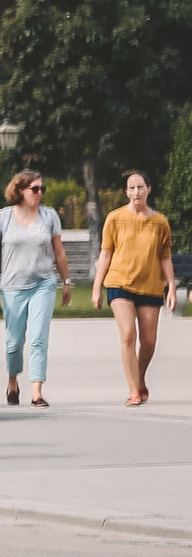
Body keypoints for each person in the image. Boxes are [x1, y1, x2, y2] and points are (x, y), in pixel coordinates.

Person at [0, 169, 69, 408]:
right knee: (14, 342)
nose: (39, 193)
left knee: (38, 339)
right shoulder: (3, 217)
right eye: (34, 189)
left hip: (43, 283)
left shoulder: (49, 216)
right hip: (12, 286)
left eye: (41, 189)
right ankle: (12, 381)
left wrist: (66, 282)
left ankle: (37, 392)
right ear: (19, 190)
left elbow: (59, 252)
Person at [93, 169, 176, 407]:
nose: (136, 192)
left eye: (140, 187)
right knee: (129, 334)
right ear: (126, 192)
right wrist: (97, 287)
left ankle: (139, 378)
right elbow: (106, 252)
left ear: (149, 189)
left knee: (149, 342)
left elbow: (165, 256)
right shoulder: (115, 218)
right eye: (131, 188)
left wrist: (171, 287)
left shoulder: (160, 223)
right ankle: (133, 390)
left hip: (150, 285)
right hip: (120, 282)